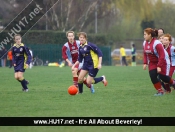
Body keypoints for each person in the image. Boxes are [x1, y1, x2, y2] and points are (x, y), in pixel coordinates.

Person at [143, 28, 175, 96]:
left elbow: (162, 55)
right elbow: (145, 53)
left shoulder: (156, 43)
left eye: (145, 34)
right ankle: (160, 91)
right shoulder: (144, 43)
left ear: (150, 35)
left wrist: (159, 66)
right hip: (152, 62)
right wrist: (145, 63)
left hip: (162, 61)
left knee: (163, 77)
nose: (144, 36)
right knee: (153, 76)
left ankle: (173, 83)